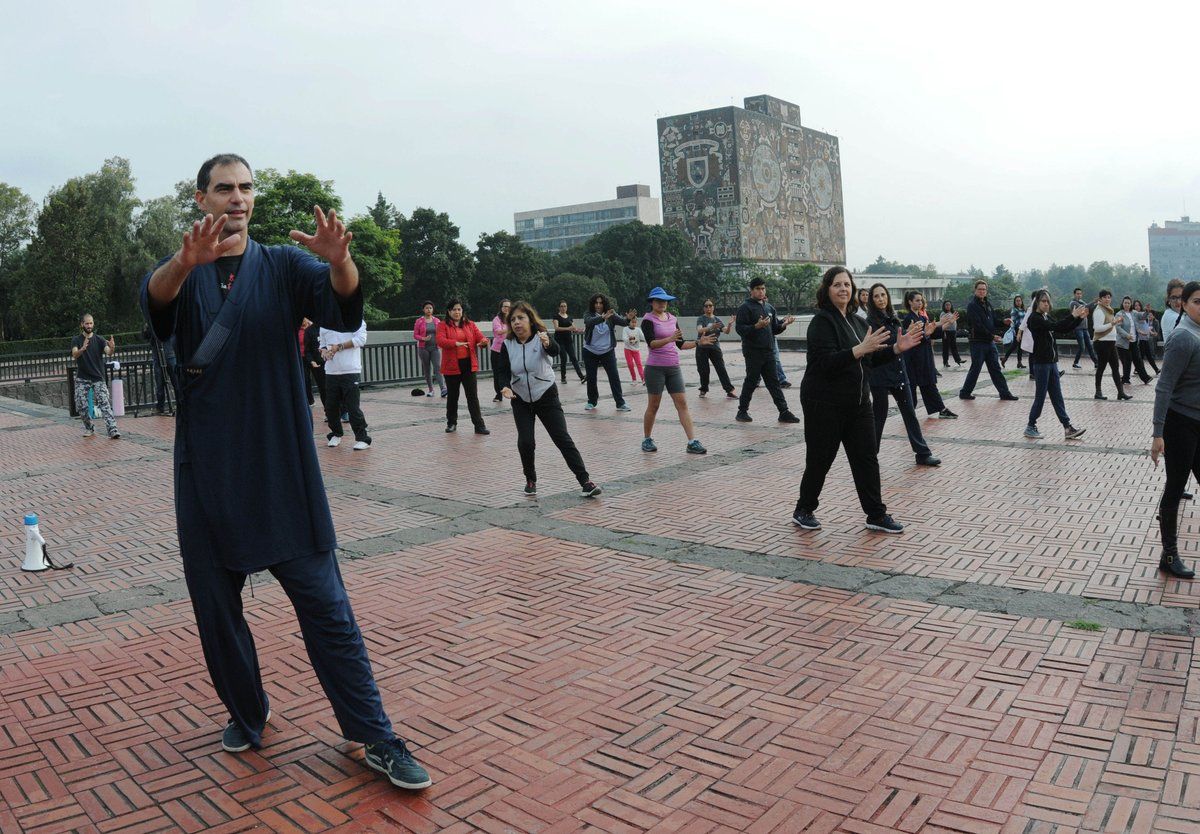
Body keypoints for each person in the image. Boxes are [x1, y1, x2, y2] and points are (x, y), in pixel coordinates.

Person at [140, 154, 429, 790]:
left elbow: (343, 309)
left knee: (327, 607)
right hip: (207, 471)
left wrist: (339, 260)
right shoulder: (180, 270)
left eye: (246, 188)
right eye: (224, 189)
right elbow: (154, 299)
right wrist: (184, 264)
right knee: (217, 611)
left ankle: (373, 734)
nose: (237, 198)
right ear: (201, 199)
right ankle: (249, 712)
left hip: (281, 466)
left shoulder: (281, 265)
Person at [793, 267, 922, 533]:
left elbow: (872, 358)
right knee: (820, 460)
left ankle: (876, 514)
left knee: (866, 459)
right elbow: (823, 363)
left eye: (847, 285)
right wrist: (858, 350)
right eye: (837, 284)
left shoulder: (858, 322)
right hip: (824, 404)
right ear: (827, 290)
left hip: (858, 403)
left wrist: (897, 348)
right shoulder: (822, 322)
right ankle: (804, 509)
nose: (843, 289)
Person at [494, 301, 601, 498]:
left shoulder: (540, 337)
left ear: (530, 320)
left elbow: (555, 351)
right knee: (526, 442)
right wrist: (504, 387)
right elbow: (502, 370)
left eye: (521, 318)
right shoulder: (508, 344)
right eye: (513, 320)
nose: (517, 323)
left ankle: (585, 481)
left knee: (562, 438)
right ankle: (530, 479)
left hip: (546, 395)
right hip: (520, 398)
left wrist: (548, 343)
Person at [1149, 279, 1200, 579]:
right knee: (1175, 487)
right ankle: (1169, 555)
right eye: (1196, 301)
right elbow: (1164, 386)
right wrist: (1158, 433)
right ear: (1184, 304)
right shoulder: (1183, 336)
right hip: (1180, 424)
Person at [865, 284, 941, 466]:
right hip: (880, 374)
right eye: (876, 296)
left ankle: (922, 453)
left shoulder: (894, 319)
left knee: (910, 413)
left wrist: (921, 333)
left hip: (899, 372)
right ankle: (869, 455)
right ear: (871, 300)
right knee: (879, 415)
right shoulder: (870, 323)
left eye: (883, 295)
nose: (881, 299)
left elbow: (902, 342)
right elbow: (875, 351)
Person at [640, 286, 716, 454]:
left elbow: (680, 344)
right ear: (652, 302)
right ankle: (647, 439)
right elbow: (651, 343)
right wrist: (669, 339)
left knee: (682, 403)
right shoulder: (647, 320)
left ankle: (692, 441)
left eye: (664, 301)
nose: (662, 303)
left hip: (673, 367)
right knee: (654, 405)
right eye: (658, 301)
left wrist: (698, 342)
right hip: (655, 367)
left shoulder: (672, 319)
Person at [1021, 289, 1088, 441]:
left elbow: (1063, 328)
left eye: (1048, 301)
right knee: (1040, 396)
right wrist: (1073, 315)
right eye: (1043, 301)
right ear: (1037, 302)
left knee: (1057, 396)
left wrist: (1078, 319)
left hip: (1051, 363)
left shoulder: (1045, 316)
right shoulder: (1034, 319)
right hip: (1041, 363)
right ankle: (1030, 426)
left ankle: (1067, 427)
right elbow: (1056, 326)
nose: (1046, 304)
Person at [734, 277, 799, 423]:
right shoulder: (745, 308)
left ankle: (784, 411)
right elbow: (740, 329)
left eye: (763, 288)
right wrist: (755, 326)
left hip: (768, 351)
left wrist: (784, 324)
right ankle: (742, 411)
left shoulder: (769, 308)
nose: (761, 291)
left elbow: (774, 329)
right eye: (757, 289)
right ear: (751, 291)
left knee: (774, 382)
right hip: (753, 352)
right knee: (751, 381)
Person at [899, 291, 957, 419]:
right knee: (912, 385)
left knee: (928, 383)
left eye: (921, 300)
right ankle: (909, 411)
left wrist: (947, 324)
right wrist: (926, 333)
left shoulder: (922, 317)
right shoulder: (909, 319)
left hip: (924, 356)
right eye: (917, 300)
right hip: (913, 357)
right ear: (910, 302)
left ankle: (940, 409)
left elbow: (932, 333)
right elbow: (914, 337)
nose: (920, 303)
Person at [959, 279, 1018, 401]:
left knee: (995, 368)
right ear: (975, 290)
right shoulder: (972, 306)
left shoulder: (988, 304)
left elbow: (993, 321)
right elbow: (977, 325)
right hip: (978, 342)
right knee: (976, 369)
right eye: (979, 289)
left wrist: (1003, 322)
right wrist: (992, 336)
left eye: (984, 289)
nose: (982, 291)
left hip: (989, 343)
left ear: (986, 291)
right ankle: (965, 392)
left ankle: (1004, 393)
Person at [437, 299, 490, 434]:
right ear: (449, 311)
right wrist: (456, 343)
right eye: (454, 309)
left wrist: (484, 342)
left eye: (459, 309)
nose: (457, 312)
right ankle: (451, 423)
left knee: (472, 396)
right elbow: (440, 341)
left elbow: (481, 338)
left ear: (462, 311)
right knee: (453, 396)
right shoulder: (443, 325)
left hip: (468, 364)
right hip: (452, 365)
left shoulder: (470, 324)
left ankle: (479, 425)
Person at [320, 319, 372, 450]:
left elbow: (360, 340)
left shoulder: (356, 321)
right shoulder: (324, 323)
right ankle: (336, 434)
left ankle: (363, 438)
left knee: (352, 407)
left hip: (350, 370)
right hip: (331, 371)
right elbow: (322, 345)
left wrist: (339, 347)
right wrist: (324, 352)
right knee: (330, 406)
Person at [71, 313, 120, 438]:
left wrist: (112, 348)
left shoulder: (99, 339)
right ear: (82, 324)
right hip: (82, 378)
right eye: (86, 323)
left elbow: (108, 352)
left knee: (104, 403)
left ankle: (113, 430)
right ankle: (89, 428)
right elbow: (75, 354)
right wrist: (82, 349)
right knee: (81, 404)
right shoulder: (76, 340)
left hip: (98, 377)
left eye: (91, 323)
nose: (89, 325)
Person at [581, 293, 631, 412]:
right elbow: (589, 322)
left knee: (614, 376)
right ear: (593, 304)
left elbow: (623, 322)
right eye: (596, 303)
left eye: (601, 303)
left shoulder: (611, 314)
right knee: (591, 378)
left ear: (604, 304)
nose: (598, 305)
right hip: (590, 351)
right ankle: (592, 402)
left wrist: (628, 318)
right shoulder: (588, 314)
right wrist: (602, 318)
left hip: (607, 351)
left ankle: (620, 403)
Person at [694, 298, 737, 398]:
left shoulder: (717, 320)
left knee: (721, 368)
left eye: (710, 305)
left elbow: (726, 331)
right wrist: (711, 327)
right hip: (702, 347)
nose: (708, 307)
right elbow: (700, 330)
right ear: (704, 308)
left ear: (713, 307)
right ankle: (703, 389)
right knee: (703, 370)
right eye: (706, 306)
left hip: (715, 348)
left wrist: (730, 325)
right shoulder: (701, 318)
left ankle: (729, 390)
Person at [1093, 290, 1130, 401]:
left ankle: (1121, 393)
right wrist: (1113, 323)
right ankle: (1098, 392)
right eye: (1105, 297)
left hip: (1111, 343)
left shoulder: (1109, 310)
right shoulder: (1099, 311)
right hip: (1102, 343)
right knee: (1101, 367)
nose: (1107, 299)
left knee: (1115, 368)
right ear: (1100, 299)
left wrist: (1116, 322)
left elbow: (1110, 325)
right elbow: (1097, 328)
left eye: (1109, 297)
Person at [1116, 296, 1153, 386]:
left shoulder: (1134, 313)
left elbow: (1143, 317)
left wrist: (1147, 311)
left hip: (1134, 341)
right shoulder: (1119, 314)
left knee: (1138, 360)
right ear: (1122, 303)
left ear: (1131, 304)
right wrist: (1127, 335)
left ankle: (1145, 378)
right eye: (1125, 303)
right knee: (1127, 361)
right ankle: (1125, 379)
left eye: (1129, 303)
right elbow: (1118, 327)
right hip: (1124, 342)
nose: (1127, 304)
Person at [413, 301, 446, 398]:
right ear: (423, 309)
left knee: (438, 367)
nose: (429, 310)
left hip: (435, 347)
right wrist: (423, 338)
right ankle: (431, 390)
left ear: (433, 309)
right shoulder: (419, 321)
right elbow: (415, 335)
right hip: (423, 348)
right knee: (427, 369)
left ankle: (443, 388)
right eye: (427, 308)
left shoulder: (437, 321)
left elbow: (441, 333)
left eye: (430, 308)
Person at [552, 301, 586, 384]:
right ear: (559, 307)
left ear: (567, 307)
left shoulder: (570, 317)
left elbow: (573, 327)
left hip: (568, 341)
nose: (563, 308)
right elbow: (556, 328)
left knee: (574, 358)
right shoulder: (556, 316)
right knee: (563, 358)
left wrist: (576, 329)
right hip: (559, 341)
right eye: (562, 306)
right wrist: (568, 328)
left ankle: (581, 377)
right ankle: (563, 378)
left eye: (565, 306)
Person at [1068, 287, 1097, 369]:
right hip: (1078, 328)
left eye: (1080, 294)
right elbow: (1085, 307)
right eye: (1077, 294)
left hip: (1085, 328)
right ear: (1074, 294)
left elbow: (1088, 307)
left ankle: (1096, 363)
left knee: (1090, 346)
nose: (1079, 295)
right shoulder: (1073, 303)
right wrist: (1093, 302)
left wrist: (1096, 303)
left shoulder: (1081, 302)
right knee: (1082, 347)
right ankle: (1075, 363)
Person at [490, 299, 511, 402]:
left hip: (510, 350)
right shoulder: (496, 319)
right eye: (505, 306)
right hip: (497, 351)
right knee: (497, 373)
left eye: (508, 306)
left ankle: (511, 391)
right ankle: (498, 394)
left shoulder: (513, 318)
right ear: (501, 308)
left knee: (511, 371)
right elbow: (498, 332)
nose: (507, 308)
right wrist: (510, 328)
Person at [303, 318, 326, 410]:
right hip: (318, 364)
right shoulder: (309, 331)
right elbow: (307, 350)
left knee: (336, 388)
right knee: (323, 388)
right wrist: (312, 361)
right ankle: (328, 412)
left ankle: (344, 411)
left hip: (332, 363)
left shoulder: (329, 328)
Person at [1001, 295, 1027, 368]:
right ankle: (1005, 359)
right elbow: (1012, 321)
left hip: (1022, 329)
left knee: (1020, 346)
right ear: (1015, 302)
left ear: (1022, 302)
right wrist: (1014, 331)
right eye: (1017, 301)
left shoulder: (1023, 310)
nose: (1018, 302)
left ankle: (1019, 362)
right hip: (1017, 329)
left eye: (1019, 301)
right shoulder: (1014, 310)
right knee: (1014, 346)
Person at [1162, 278, 1187, 345]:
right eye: (1173, 298)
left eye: (1181, 297)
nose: (1178, 302)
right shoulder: (1171, 317)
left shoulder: (1180, 314)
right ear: (1168, 300)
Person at [623, 308, 644, 384]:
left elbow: (643, 337)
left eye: (635, 322)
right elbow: (624, 338)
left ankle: (643, 379)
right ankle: (634, 379)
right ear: (629, 322)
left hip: (636, 350)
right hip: (628, 350)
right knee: (630, 364)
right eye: (632, 322)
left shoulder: (638, 330)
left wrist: (649, 340)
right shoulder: (625, 329)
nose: (634, 324)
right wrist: (629, 339)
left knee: (639, 364)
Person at [940, 299, 964, 367]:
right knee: (945, 348)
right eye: (946, 305)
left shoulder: (952, 313)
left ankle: (958, 360)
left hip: (953, 332)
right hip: (946, 332)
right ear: (944, 306)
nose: (948, 306)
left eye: (949, 305)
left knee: (954, 346)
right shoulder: (943, 313)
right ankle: (945, 362)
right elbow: (942, 323)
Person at [1140, 304, 1161, 374]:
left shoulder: (1156, 322)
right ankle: (1156, 369)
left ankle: (1153, 355)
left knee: (1144, 354)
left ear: (1154, 316)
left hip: (1153, 337)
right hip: (1144, 338)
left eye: (1151, 315)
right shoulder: (1145, 321)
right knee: (1143, 354)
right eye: (1149, 315)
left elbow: (1156, 333)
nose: (1149, 316)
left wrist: (1151, 331)